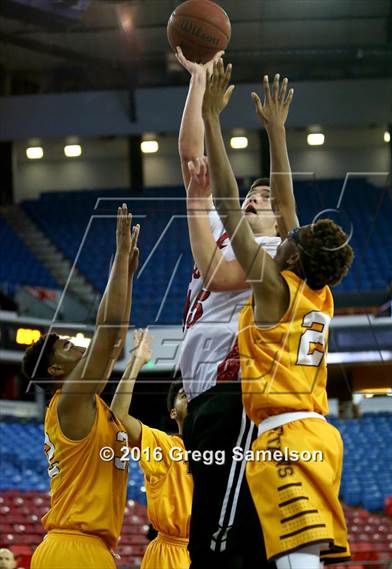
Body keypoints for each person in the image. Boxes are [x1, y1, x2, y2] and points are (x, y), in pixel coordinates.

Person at [202, 60, 353, 568]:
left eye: (292, 237)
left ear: (292, 256)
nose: (288, 230)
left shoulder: (273, 288)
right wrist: (276, 132)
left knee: (296, 565)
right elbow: (288, 211)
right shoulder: (318, 293)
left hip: (285, 440)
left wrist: (211, 121)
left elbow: (226, 204)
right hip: (320, 438)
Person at [177, 46, 296, 568]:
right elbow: (191, 159)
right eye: (252, 195)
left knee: (220, 537)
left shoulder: (274, 251)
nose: (256, 199)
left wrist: (274, 133)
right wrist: (197, 84)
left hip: (237, 389)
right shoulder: (229, 234)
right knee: (210, 526)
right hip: (203, 396)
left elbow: (217, 273)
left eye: (264, 201)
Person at [21, 204, 140, 569]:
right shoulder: (68, 401)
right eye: (67, 346)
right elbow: (110, 335)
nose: (78, 343)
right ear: (56, 369)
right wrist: (120, 261)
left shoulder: (87, 405)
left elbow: (113, 339)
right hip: (74, 550)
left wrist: (127, 276)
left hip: (86, 548)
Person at [110, 329, 192, 569]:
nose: (189, 394)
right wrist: (136, 362)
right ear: (173, 412)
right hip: (170, 553)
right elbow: (119, 416)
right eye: (182, 393)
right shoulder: (164, 445)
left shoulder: (224, 448)